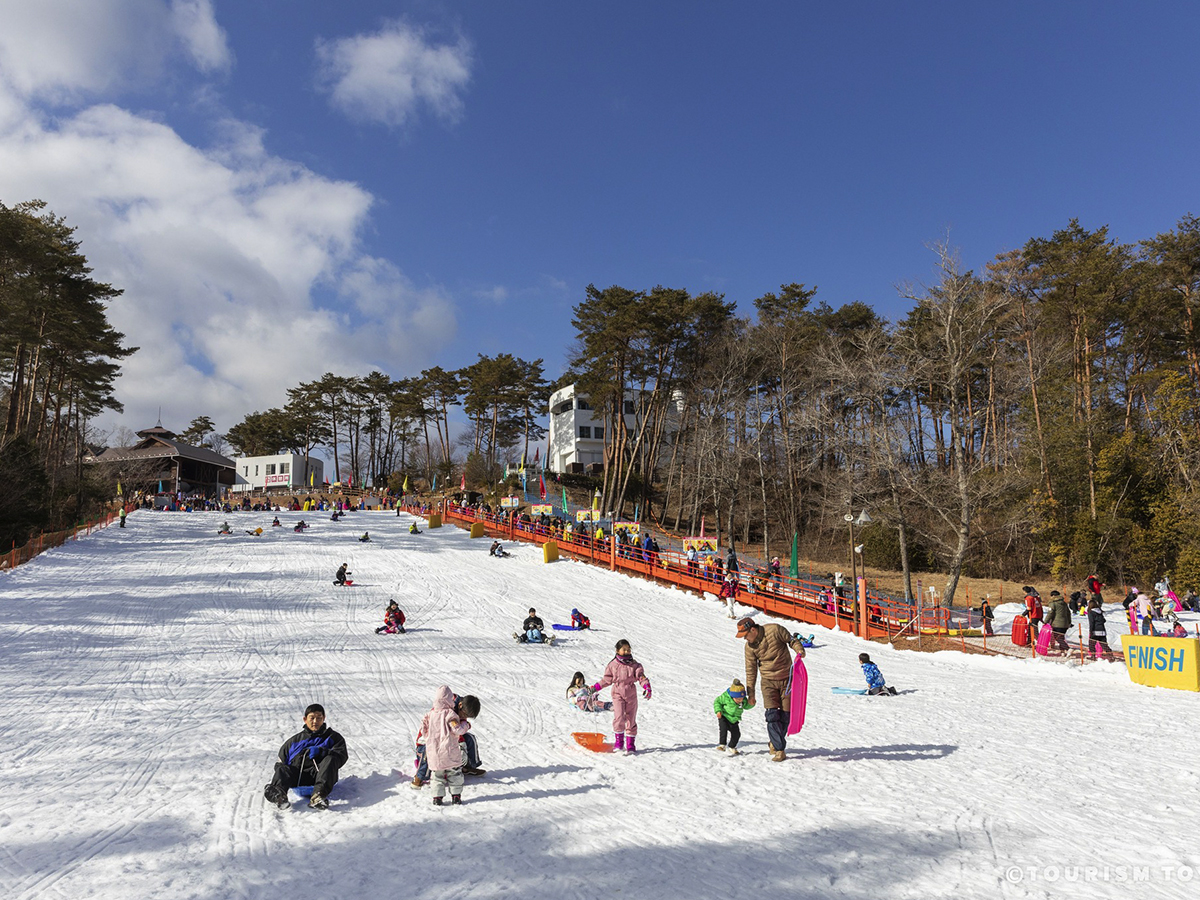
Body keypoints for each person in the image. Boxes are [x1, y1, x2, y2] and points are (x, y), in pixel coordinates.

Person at [737, 616, 805, 761]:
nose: (745, 639)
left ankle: (774, 741)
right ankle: (780, 749)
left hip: (787, 679)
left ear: (753, 630)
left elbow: (791, 641)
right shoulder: (749, 648)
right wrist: (751, 694)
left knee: (786, 716)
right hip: (768, 682)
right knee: (772, 716)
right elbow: (751, 671)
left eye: (745, 635)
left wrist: (799, 650)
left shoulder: (774, 630)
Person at [263, 703, 349, 811]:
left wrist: (322, 752)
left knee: (330, 758)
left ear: (324, 718)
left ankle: (318, 796)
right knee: (282, 768)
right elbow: (280, 763)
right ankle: (278, 795)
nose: (315, 721)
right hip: (298, 777)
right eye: (312, 718)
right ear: (305, 719)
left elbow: (342, 755)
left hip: (321, 776)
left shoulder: (333, 737)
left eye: (319, 718)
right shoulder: (294, 741)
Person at [412, 692, 482, 789]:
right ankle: (420, 776)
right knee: (430, 748)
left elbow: (459, 729)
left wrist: (462, 741)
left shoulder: (461, 709)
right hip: (430, 739)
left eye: (467, 717)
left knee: (470, 738)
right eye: (465, 714)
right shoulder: (442, 709)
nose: (464, 718)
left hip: (447, 741)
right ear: (460, 705)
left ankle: (469, 766)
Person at [592, 639, 651, 754]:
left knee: (631, 718)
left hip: (631, 694)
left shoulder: (635, 665)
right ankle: (619, 743)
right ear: (617, 650)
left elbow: (641, 677)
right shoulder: (613, 665)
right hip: (617, 693)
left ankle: (630, 745)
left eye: (628, 649)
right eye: (624, 649)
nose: (626, 651)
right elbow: (607, 679)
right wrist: (595, 687)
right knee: (619, 717)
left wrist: (646, 686)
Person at [419, 686, 474, 806]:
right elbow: (457, 729)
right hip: (450, 754)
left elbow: (424, 729)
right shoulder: (450, 714)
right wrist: (466, 724)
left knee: (437, 777)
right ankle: (456, 796)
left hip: (434, 755)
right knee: (455, 775)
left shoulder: (429, 715)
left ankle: (437, 798)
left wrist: (429, 738)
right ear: (449, 700)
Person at [713, 678, 752, 755]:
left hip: (734, 719)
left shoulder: (743, 700)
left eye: (741, 698)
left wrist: (752, 703)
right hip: (724, 716)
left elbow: (746, 706)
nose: (740, 700)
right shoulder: (726, 697)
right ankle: (722, 745)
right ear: (732, 696)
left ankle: (732, 746)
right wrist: (718, 711)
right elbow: (717, 702)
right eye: (737, 699)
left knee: (737, 734)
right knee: (723, 729)